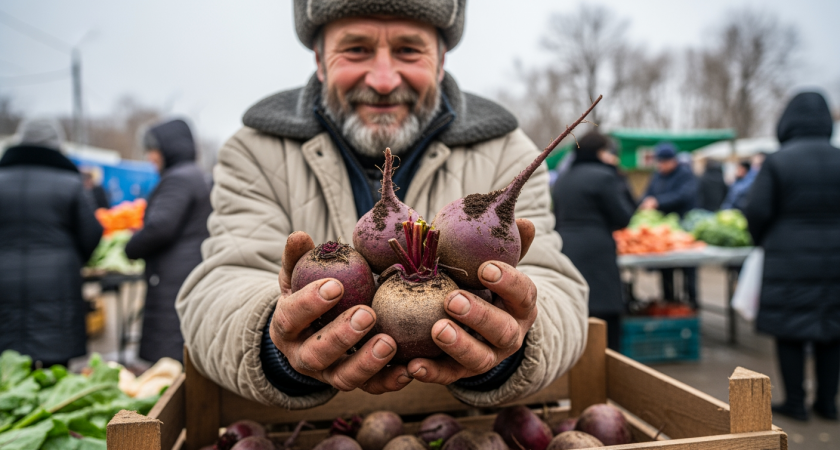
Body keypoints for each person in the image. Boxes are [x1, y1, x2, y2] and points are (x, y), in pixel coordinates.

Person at [176, 0, 588, 409]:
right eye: (356, 49)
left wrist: (509, 343)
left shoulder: (507, 150)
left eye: (409, 50)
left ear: (441, 60)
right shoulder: (254, 149)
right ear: (320, 60)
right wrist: (280, 343)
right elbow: (218, 286)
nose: (385, 79)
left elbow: (558, 291)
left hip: (465, 421)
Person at [745, 92, 840, 422]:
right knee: (833, 328)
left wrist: (763, 241)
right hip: (836, 258)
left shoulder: (778, 160)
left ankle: (796, 403)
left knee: (790, 330)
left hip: (789, 257)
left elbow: (756, 210)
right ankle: (828, 403)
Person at [0, 118, 103, 368]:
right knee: (55, 375)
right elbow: (92, 233)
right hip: (57, 286)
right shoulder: (70, 183)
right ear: (57, 145)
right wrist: (73, 258)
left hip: (4, 283)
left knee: (8, 375)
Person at [124, 119, 212, 363]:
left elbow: (159, 227)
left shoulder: (179, 179)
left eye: (154, 150)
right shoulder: (194, 175)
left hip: (173, 279)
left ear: (168, 148)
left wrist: (130, 246)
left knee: (169, 355)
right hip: (186, 269)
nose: (150, 157)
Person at [552, 132, 635, 351]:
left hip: (565, 247)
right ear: (601, 152)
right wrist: (620, 176)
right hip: (597, 252)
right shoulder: (605, 176)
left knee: (576, 312)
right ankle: (608, 368)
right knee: (605, 317)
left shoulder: (562, 178)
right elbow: (624, 216)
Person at [640, 143, 698, 306]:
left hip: (684, 228)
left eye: (663, 162)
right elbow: (648, 194)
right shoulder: (657, 176)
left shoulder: (685, 174)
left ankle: (692, 302)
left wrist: (658, 202)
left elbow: (683, 195)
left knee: (688, 268)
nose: (661, 166)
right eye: (659, 162)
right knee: (665, 267)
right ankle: (669, 301)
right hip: (662, 231)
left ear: (673, 161)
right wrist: (642, 204)